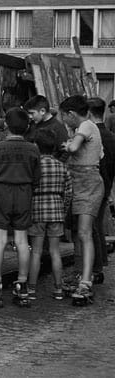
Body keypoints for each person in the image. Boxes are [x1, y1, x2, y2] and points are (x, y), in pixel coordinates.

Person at [0, 107, 40, 307]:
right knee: (22, 241)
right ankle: (22, 285)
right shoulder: (33, 149)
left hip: (0, 192)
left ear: (6, 125)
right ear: (26, 127)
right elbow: (37, 178)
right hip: (24, 193)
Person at [59, 95, 104, 305]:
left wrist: (66, 145)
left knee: (84, 233)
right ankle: (80, 273)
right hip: (78, 182)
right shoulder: (86, 128)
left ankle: (86, 281)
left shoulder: (86, 125)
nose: (63, 120)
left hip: (87, 184)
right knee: (78, 233)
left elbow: (74, 148)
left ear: (71, 114)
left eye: (63, 116)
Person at [27, 129, 72, 301]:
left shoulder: (34, 166)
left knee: (36, 252)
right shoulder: (62, 166)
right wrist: (63, 210)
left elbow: (28, 188)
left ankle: (31, 289)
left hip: (37, 210)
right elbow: (69, 193)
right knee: (55, 251)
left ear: (37, 146)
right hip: (56, 211)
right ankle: (58, 288)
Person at [86, 97, 115, 285]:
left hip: (94, 186)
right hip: (107, 184)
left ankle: (95, 268)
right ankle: (100, 263)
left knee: (92, 229)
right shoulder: (111, 137)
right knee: (97, 227)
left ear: (88, 112)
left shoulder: (92, 135)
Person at [23, 95, 69, 160]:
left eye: (32, 113)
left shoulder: (57, 128)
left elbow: (66, 152)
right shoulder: (32, 125)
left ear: (42, 111)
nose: (30, 116)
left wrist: (56, 163)